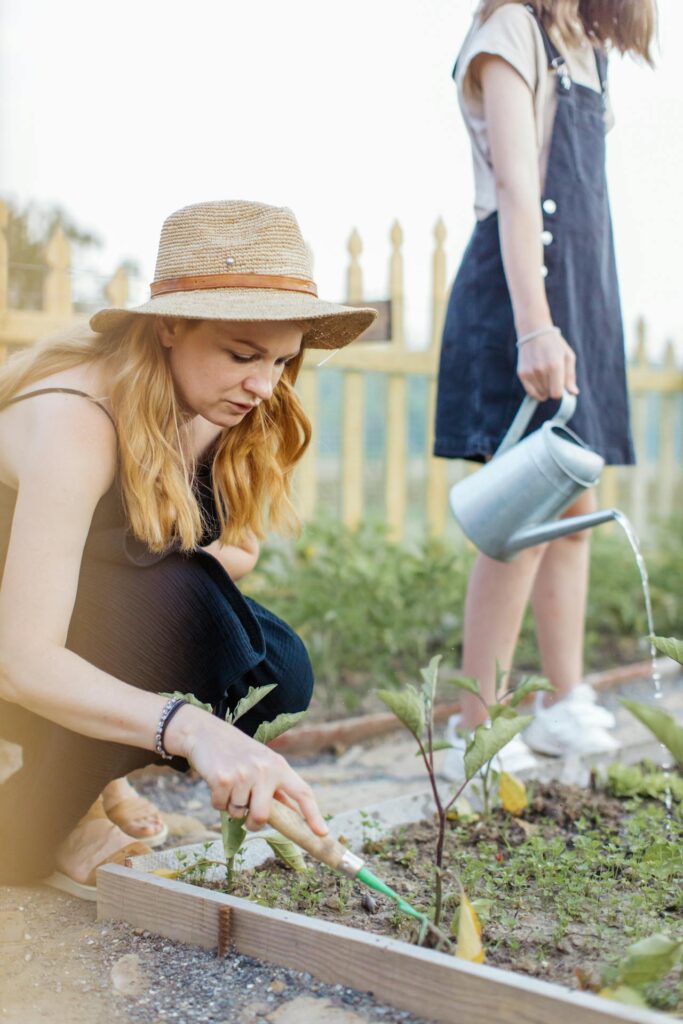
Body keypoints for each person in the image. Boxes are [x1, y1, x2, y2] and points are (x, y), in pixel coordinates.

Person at [0, 199, 376, 897]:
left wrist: (147, 570)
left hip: (73, 628)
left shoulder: (223, 405)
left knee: (274, 666)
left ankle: (83, 785)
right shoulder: (77, 421)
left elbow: (239, 551)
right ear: (169, 326)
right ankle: (30, 826)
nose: (264, 385)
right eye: (243, 354)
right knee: (174, 607)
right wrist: (191, 728)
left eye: (282, 359)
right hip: (16, 647)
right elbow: (20, 659)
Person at [434, 0, 656, 772]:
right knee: (520, 514)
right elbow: (515, 182)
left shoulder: (585, 47)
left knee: (575, 509)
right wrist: (534, 325)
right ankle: (477, 728)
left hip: (580, 294)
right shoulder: (511, 31)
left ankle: (563, 702)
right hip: (523, 296)